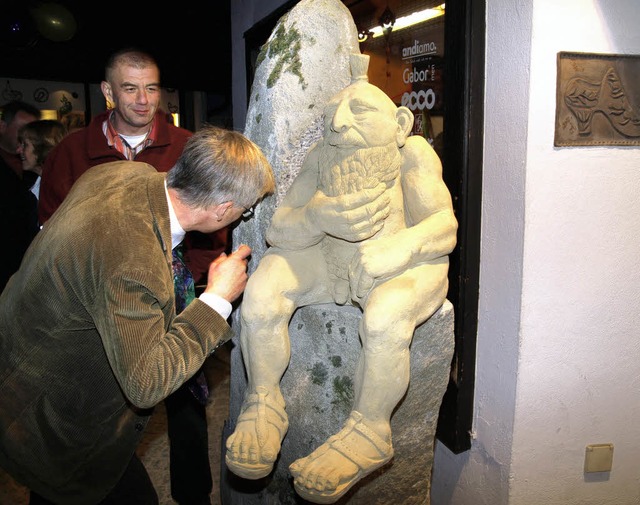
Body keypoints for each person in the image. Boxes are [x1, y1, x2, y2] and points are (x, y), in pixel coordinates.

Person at [224, 54, 458, 503]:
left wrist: (398, 248)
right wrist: (315, 217)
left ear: (400, 122)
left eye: (359, 111)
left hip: (403, 267)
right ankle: (264, 401)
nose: (338, 124)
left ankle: (371, 430)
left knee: (386, 317)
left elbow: (444, 228)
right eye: (333, 114)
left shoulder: (413, 155)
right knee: (263, 289)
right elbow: (279, 229)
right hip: (330, 260)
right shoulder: (323, 155)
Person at [0, 126, 275, 505]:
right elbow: (146, 383)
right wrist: (217, 299)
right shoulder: (135, 263)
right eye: (246, 209)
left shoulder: (123, 173)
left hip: (33, 363)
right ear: (223, 209)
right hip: (52, 419)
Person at [38, 47, 227, 505]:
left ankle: (193, 494)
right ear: (107, 92)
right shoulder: (71, 152)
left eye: (152, 88)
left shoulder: (187, 146)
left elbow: (215, 223)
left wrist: (192, 278)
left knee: (185, 400)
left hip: (176, 291)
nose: (143, 100)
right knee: (105, 398)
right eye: (130, 88)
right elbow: (50, 229)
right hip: (97, 301)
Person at [0, 101, 42, 292]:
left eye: (33, 131)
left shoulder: (36, 169)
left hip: (29, 272)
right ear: (3, 127)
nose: (27, 136)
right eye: (23, 129)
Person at [17, 119, 68, 202]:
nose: (18, 150)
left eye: (25, 145)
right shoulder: (36, 185)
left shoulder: (63, 188)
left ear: (43, 147)